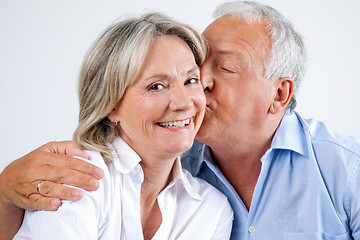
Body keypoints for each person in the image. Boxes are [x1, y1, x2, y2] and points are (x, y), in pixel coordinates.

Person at [1, 1, 360, 239]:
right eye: (198, 68)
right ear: (111, 101)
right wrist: (5, 195)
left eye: (228, 67)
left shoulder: (345, 171)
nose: (197, 89)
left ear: (279, 95)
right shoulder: (93, 173)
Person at [8, 12, 234, 240]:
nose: (184, 103)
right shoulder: (77, 177)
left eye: (191, 81)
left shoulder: (212, 210)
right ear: (111, 105)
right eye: (156, 86)